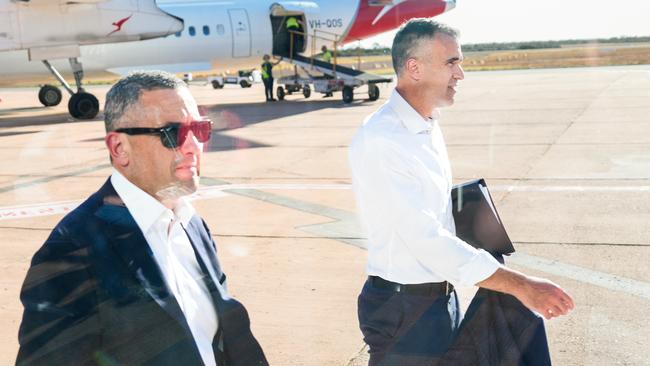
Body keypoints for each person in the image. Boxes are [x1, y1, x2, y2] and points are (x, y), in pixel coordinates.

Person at [348, 19, 574, 365]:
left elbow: (429, 211)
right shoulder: (383, 138)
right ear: (415, 68)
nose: (460, 74)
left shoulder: (426, 126)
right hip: (403, 310)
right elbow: (423, 238)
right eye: (451, 62)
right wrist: (520, 285)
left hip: (439, 300)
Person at [16, 71, 268, 366]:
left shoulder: (191, 223)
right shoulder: (72, 250)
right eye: (172, 133)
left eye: (198, 130)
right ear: (119, 148)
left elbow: (219, 333)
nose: (193, 146)